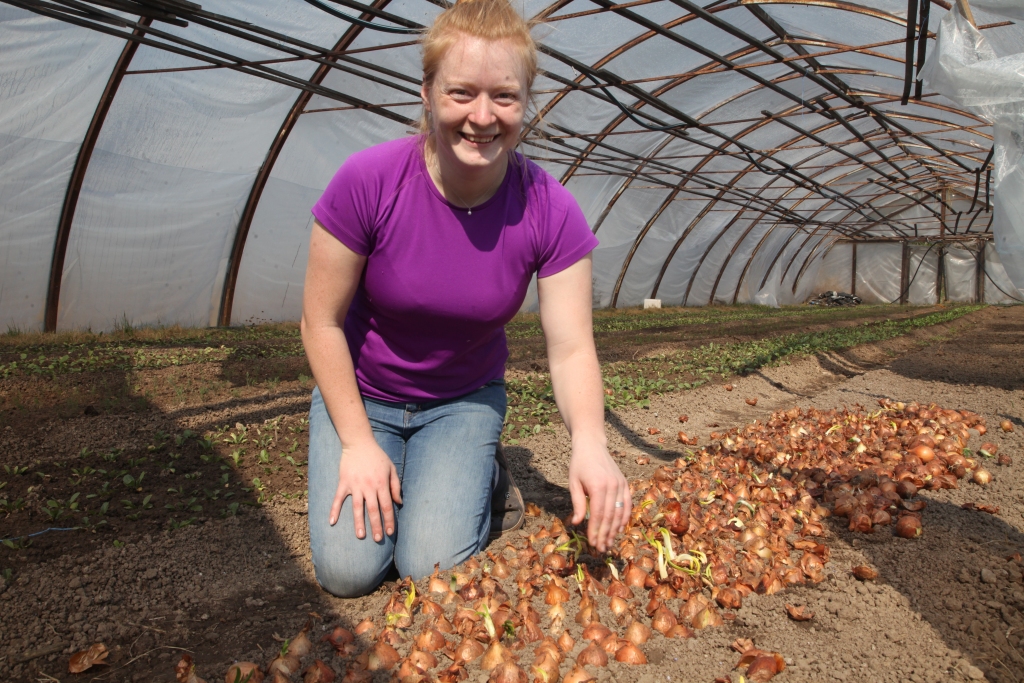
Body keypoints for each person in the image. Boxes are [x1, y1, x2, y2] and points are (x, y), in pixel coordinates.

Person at [301, 0, 631, 598]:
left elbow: (571, 346)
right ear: (426, 92)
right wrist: (355, 443)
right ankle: (398, 464)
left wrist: (590, 441)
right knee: (350, 574)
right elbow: (319, 323)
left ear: (526, 101)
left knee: (429, 567)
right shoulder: (369, 181)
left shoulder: (547, 207)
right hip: (362, 394)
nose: (483, 116)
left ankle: (480, 478)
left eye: (504, 96)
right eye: (461, 93)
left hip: (461, 401)